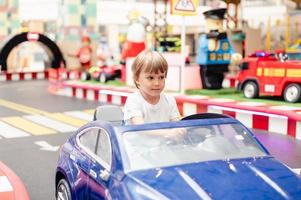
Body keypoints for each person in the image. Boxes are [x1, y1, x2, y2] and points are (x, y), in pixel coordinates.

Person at [123, 50, 181, 125]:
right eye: (150, 78)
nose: (157, 83)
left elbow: (178, 125)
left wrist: (180, 130)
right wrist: (168, 133)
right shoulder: (133, 100)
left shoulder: (169, 100)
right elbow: (141, 128)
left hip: (164, 137)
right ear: (137, 79)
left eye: (161, 77)